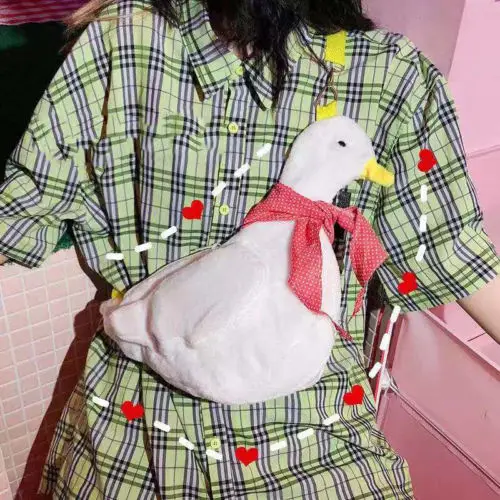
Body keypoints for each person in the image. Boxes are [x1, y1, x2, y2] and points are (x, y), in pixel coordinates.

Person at [1, 0, 499, 498]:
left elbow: (451, 253)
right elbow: (20, 214)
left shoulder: (393, 77)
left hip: (318, 437)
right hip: (139, 433)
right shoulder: (123, 41)